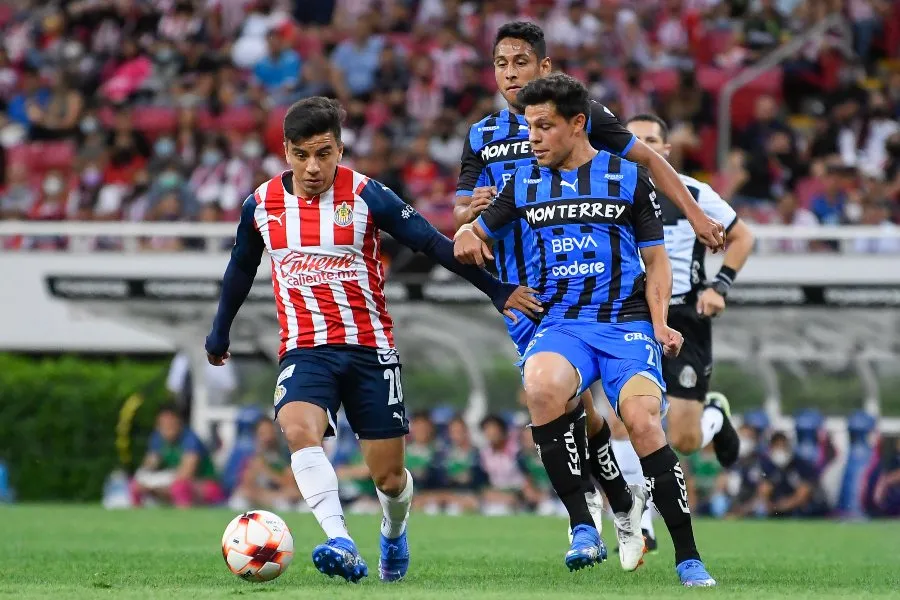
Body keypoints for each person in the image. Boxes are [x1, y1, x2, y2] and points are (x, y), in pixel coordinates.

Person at [204, 96, 539, 584]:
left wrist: (497, 291)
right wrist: (219, 332)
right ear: (285, 151)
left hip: (369, 350)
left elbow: (431, 242)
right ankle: (339, 539)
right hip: (305, 349)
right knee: (299, 427)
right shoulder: (261, 205)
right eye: (302, 155)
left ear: (340, 149)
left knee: (389, 477)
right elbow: (240, 268)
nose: (313, 166)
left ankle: (393, 531)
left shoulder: (367, 195)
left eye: (323, 153)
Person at [453, 22, 725, 571]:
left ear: (545, 69)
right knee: (555, 400)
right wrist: (466, 220)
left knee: (628, 420)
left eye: (520, 62)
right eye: (500, 63)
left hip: (612, 313)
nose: (509, 73)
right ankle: (599, 516)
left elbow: (652, 204)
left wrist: (694, 216)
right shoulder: (487, 141)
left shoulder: (602, 141)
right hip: (532, 301)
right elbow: (462, 220)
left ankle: (662, 541)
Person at [604, 114, 755, 546]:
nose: (644, 147)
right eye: (634, 141)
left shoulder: (693, 192)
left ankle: (714, 416)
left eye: (652, 140)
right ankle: (643, 527)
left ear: (665, 150)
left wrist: (719, 287)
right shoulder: (606, 189)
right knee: (623, 422)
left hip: (684, 317)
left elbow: (743, 237)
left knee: (686, 440)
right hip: (631, 315)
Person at [130, 404, 224, 508]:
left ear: (179, 423)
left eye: (170, 424)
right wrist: (145, 479)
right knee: (136, 485)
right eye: (163, 425)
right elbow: (150, 464)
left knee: (180, 487)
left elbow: (186, 473)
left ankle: (184, 518)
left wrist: (157, 484)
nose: (167, 428)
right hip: (169, 482)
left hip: (204, 485)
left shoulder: (190, 440)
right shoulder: (157, 439)